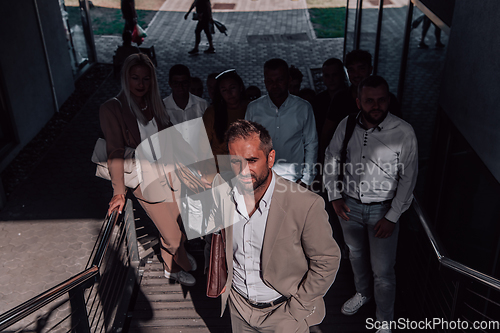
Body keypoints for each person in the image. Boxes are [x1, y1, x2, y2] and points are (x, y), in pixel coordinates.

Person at [207, 120, 340, 333]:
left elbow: (327, 261)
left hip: (284, 313)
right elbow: (216, 239)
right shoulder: (221, 191)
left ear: (270, 158)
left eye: (251, 160)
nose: (242, 171)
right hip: (238, 308)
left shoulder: (305, 203)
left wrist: (297, 310)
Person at [323, 75, 418, 333]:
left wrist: (392, 217)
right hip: (350, 207)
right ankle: (362, 293)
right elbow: (331, 156)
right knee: (355, 256)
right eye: (369, 101)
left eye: (381, 100)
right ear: (358, 102)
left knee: (384, 271)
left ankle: (385, 320)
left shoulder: (404, 132)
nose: (376, 106)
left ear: (388, 100)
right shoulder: (346, 125)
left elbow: (409, 178)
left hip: (383, 211)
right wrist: (334, 196)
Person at [99, 54, 197, 286]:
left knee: (177, 224)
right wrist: (119, 191)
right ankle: (182, 260)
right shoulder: (112, 108)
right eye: (135, 78)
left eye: (146, 78)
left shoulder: (153, 102)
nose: (141, 84)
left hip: (170, 171)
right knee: (173, 237)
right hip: (145, 179)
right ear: (126, 78)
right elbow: (114, 151)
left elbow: (170, 134)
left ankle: (171, 269)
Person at [245, 58, 318, 188]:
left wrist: (306, 180)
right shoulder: (254, 108)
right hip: (262, 180)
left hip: (294, 180)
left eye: (280, 80)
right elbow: (248, 146)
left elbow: (311, 143)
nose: (275, 85)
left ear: (289, 80)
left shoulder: (303, 108)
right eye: (270, 81)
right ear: (265, 82)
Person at [320, 50, 401, 157]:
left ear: (370, 70)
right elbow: (326, 133)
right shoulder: (340, 98)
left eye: (361, 69)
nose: (356, 75)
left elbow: (398, 133)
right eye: (351, 70)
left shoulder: (387, 99)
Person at [164, 64, 210, 239]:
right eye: (176, 83)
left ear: (189, 83)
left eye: (184, 83)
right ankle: (184, 242)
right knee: (178, 207)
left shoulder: (201, 105)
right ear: (169, 83)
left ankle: (201, 239)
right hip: (174, 165)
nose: (180, 88)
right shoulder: (162, 107)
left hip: (199, 163)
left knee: (201, 203)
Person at [203, 69, 248, 171]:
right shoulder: (212, 113)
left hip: (246, 169)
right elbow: (202, 146)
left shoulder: (251, 108)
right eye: (224, 90)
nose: (229, 93)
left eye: (232, 88)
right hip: (218, 170)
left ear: (240, 88)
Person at [312, 58, 347, 158]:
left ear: (342, 75)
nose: (331, 79)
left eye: (334, 75)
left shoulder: (352, 99)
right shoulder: (317, 101)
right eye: (327, 76)